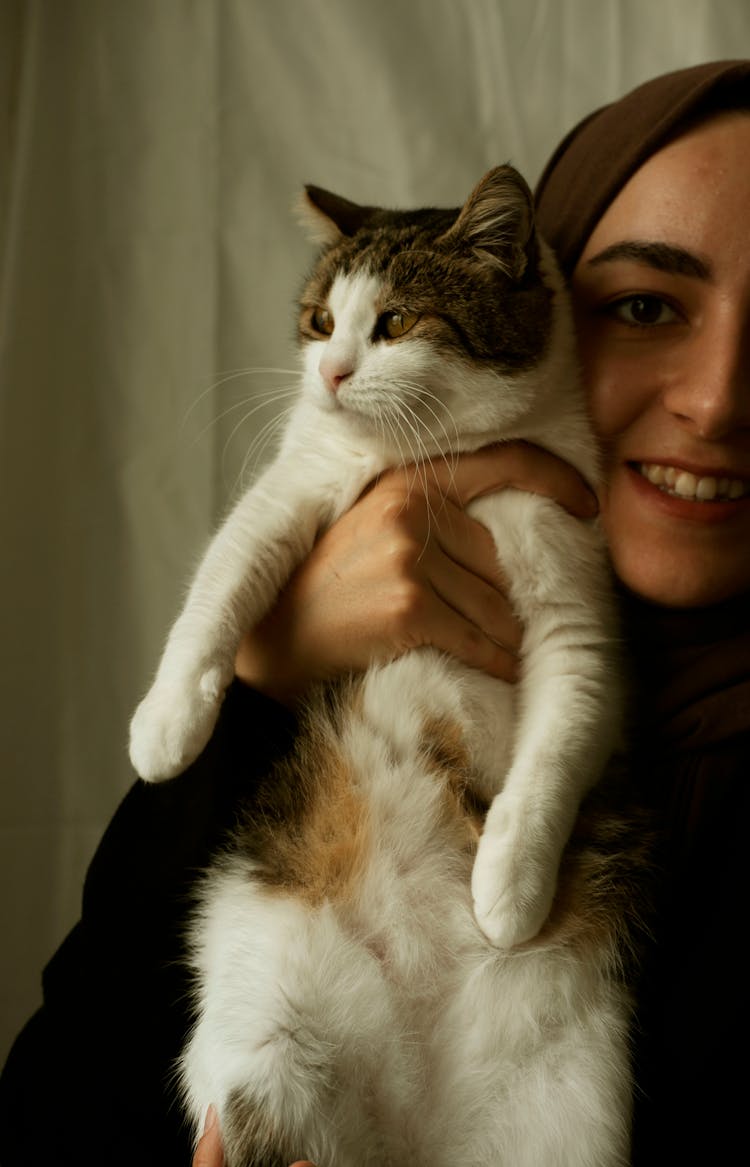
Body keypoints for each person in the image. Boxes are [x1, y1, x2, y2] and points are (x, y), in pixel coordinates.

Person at [2, 59, 749, 1167]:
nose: (719, 397)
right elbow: (58, 1111)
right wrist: (270, 673)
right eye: (643, 308)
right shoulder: (293, 662)